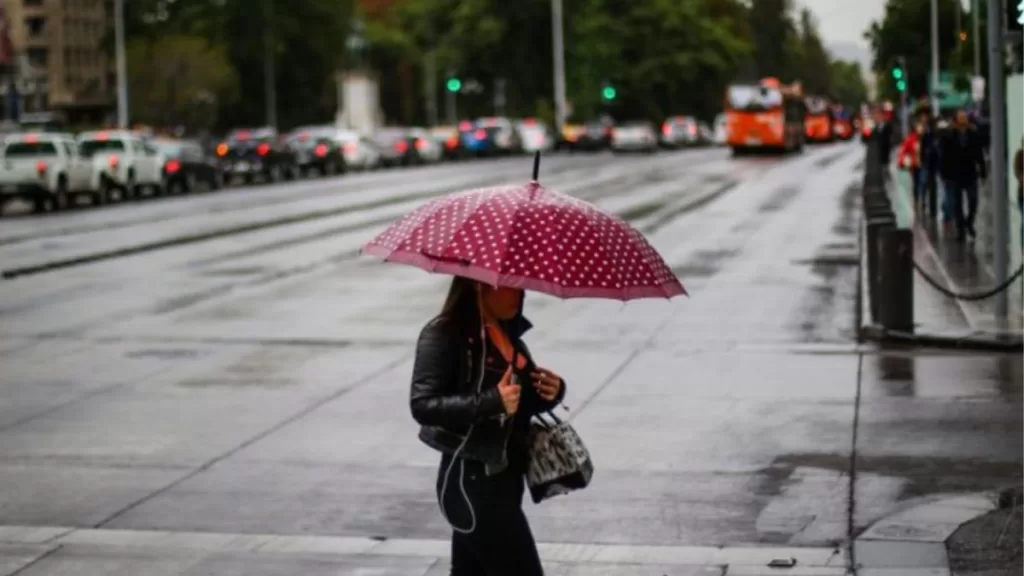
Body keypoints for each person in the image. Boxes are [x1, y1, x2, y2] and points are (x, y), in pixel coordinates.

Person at [410, 277, 567, 576]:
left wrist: (554, 391)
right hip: (472, 484)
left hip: (507, 482)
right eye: (511, 285)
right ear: (480, 284)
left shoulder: (509, 334)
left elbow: (520, 406)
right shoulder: (444, 333)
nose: (520, 294)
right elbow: (423, 405)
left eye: (522, 286)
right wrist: (491, 401)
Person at [937, 109, 987, 241]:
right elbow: (944, 156)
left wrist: (983, 171)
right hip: (954, 174)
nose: (964, 119)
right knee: (956, 204)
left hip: (970, 173)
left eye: (965, 117)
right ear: (956, 120)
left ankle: (969, 222)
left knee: (973, 200)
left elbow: (979, 154)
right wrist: (943, 173)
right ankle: (960, 230)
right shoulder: (948, 135)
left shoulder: (973, 134)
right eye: (961, 117)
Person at [898, 120, 924, 210]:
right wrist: (903, 162)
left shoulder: (926, 138)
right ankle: (917, 200)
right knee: (917, 183)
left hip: (924, 165)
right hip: (915, 165)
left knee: (923, 183)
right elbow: (903, 151)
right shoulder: (911, 139)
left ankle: (923, 201)